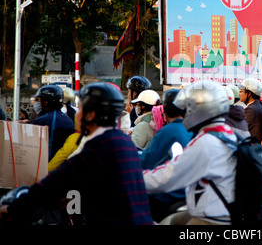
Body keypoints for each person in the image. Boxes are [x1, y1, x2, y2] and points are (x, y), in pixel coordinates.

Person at [0, 82, 153, 225]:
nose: (76, 113)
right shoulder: (124, 142)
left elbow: (54, 183)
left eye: (79, 108)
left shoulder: (98, 147)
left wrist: (12, 208)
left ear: (91, 114)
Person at [143, 80, 237, 225]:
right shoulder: (228, 134)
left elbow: (169, 176)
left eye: (188, 110)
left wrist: (132, 179)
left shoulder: (205, 143)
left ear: (200, 111)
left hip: (212, 219)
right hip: (227, 211)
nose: (185, 115)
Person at [140, 88, 193, 223]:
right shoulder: (194, 130)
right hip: (192, 194)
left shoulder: (166, 132)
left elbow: (147, 163)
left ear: (164, 111)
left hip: (170, 196)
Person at [30, 85, 75, 160]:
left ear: (46, 102)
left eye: (38, 100)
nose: (36, 103)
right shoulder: (67, 119)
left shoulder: (44, 120)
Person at [238, 78, 262, 143]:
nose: (239, 94)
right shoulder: (259, 106)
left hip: (252, 147)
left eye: (241, 91)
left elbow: (239, 130)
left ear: (249, 94)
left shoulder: (251, 110)